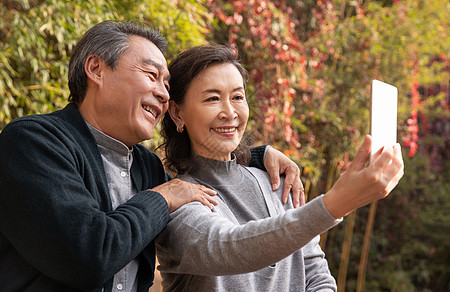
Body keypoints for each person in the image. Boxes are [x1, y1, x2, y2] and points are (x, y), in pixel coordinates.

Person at [0, 21, 305, 292]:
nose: (163, 93)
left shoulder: (146, 167)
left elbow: (206, 165)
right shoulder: (34, 141)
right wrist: (162, 198)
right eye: (151, 75)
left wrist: (258, 155)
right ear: (96, 70)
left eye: (167, 84)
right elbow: (88, 256)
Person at [155, 45, 404, 291]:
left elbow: (315, 274)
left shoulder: (275, 180)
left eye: (238, 97)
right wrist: (336, 204)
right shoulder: (178, 200)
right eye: (212, 99)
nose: (229, 112)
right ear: (177, 113)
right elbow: (231, 248)